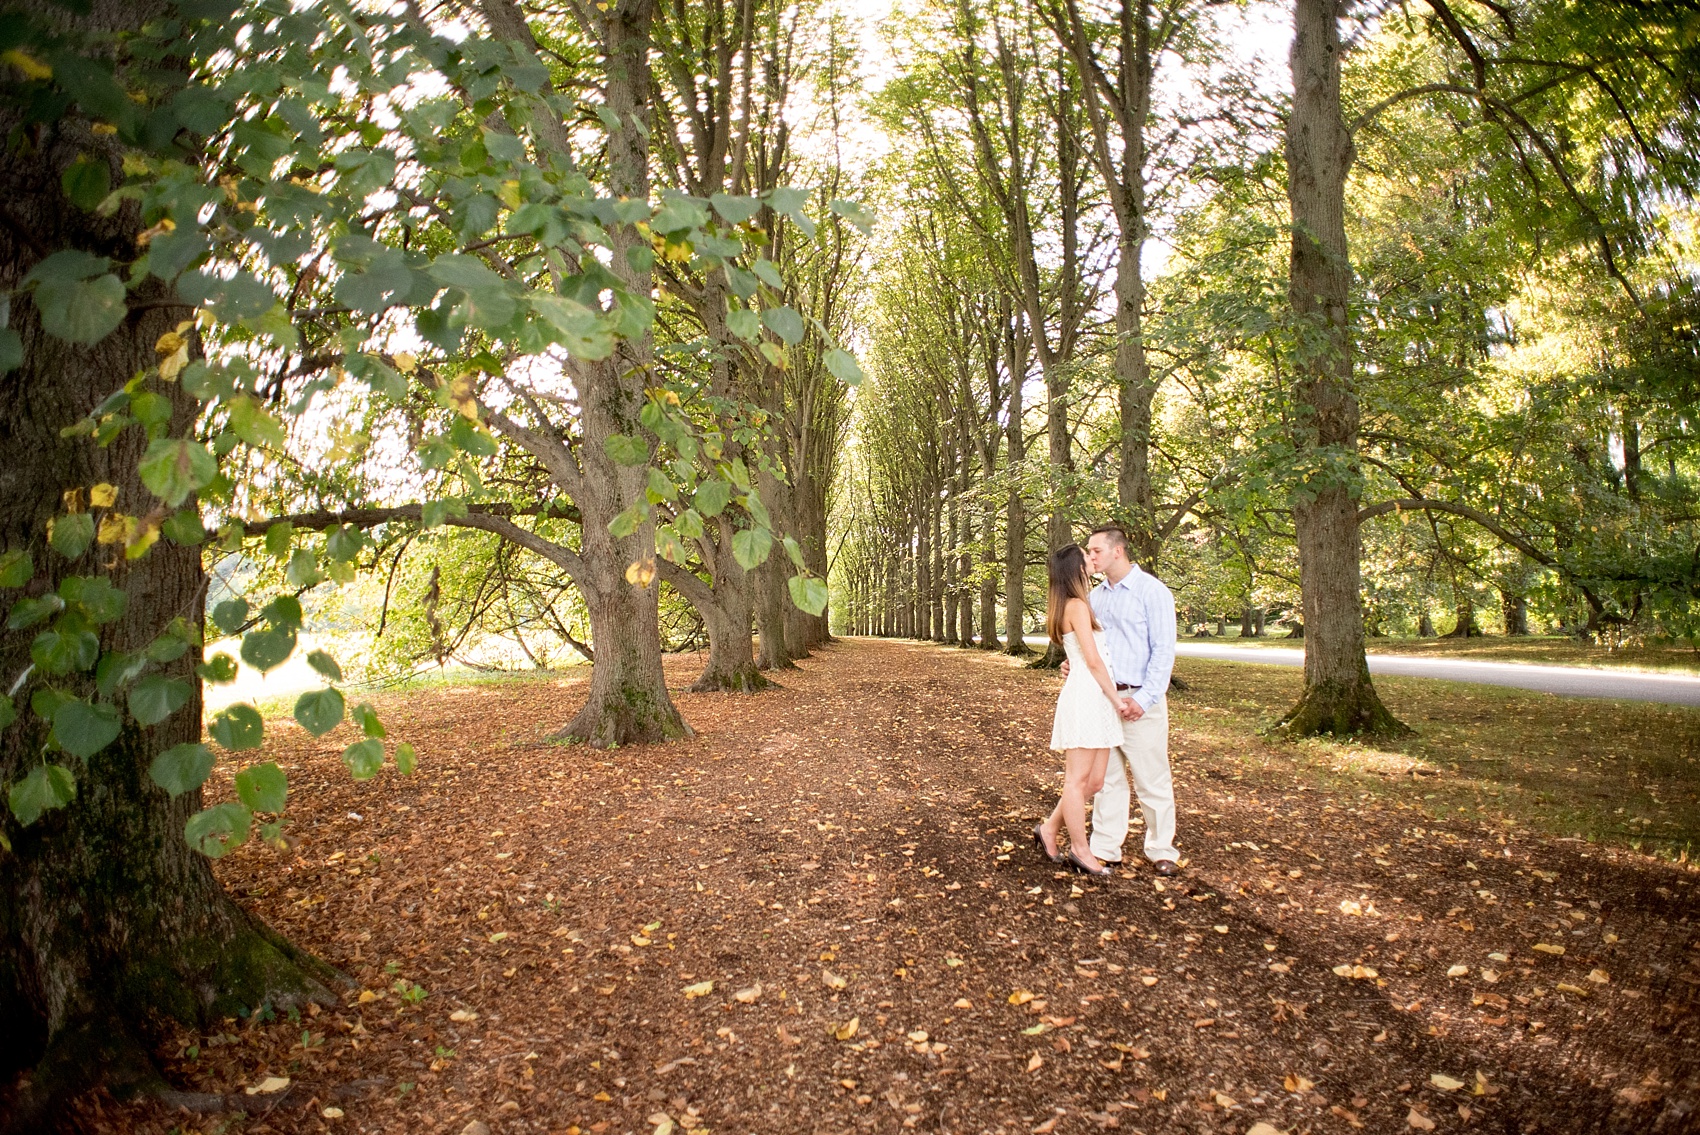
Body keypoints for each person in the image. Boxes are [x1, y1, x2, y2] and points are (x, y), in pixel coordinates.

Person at [1061, 525, 1181, 876]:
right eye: (1089, 552)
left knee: (1152, 778)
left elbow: (1163, 652)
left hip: (1138, 699)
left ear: (1118, 551)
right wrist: (1074, 663)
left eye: (1095, 551)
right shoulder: (1094, 598)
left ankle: (1162, 850)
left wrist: (1143, 699)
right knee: (1107, 780)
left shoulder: (1152, 592)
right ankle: (1105, 847)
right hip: (1102, 700)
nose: (1090, 557)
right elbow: (1091, 649)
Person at [1033, 544, 1129, 877]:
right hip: (1089, 696)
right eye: (1086, 558)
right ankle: (1080, 849)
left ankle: (1048, 829)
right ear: (1075, 568)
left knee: (1095, 782)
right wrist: (1117, 699)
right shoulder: (1075, 606)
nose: (1091, 560)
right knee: (1076, 781)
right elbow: (1091, 660)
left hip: (1096, 695)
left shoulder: (1077, 604)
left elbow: (1080, 655)